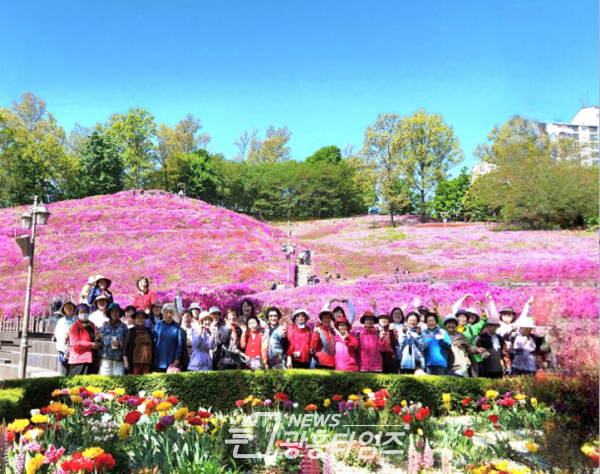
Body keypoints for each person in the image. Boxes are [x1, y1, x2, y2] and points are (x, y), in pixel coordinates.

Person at [434, 300, 488, 378]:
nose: (462, 319)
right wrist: (435, 311)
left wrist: (483, 311)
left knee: (471, 378)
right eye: (460, 317)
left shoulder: (471, 328)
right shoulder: (451, 328)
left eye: (464, 317)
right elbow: (440, 323)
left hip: (469, 357)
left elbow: (482, 324)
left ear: (466, 319)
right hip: (453, 358)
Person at [68, 304, 100, 375]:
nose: (83, 313)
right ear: (78, 314)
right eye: (81, 312)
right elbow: (74, 343)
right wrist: (90, 345)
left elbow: (96, 340)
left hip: (92, 359)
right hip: (80, 361)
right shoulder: (75, 327)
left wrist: (98, 338)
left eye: (85, 312)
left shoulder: (92, 325)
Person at [98, 303, 128, 376]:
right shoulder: (104, 325)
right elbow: (99, 343)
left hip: (118, 360)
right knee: (104, 381)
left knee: (118, 382)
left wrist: (120, 343)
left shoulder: (124, 327)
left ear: (120, 313)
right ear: (109, 313)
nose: (115, 313)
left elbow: (127, 343)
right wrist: (97, 338)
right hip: (105, 360)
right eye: (113, 311)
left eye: (117, 311)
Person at [153, 303, 182, 372]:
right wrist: (154, 356)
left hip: (172, 358)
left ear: (173, 314)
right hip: (160, 358)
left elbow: (179, 343)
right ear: (163, 314)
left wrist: (177, 358)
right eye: (166, 312)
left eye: (170, 312)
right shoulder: (158, 324)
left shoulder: (177, 326)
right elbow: (154, 341)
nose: (168, 315)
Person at [123, 311, 154, 375]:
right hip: (134, 364)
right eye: (138, 317)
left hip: (147, 363)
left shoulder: (148, 331)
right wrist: (126, 362)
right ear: (135, 319)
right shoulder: (131, 331)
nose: (140, 319)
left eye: (142, 318)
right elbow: (125, 348)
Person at [53, 301, 77, 376]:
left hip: (75, 348)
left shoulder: (77, 319)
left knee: (74, 371)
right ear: (64, 309)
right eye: (66, 307)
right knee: (64, 372)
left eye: (70, 306)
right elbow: (58, 335)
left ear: (73, 307)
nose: (69, 308)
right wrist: (68, 330)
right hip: (63, 348)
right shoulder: (61, 321)